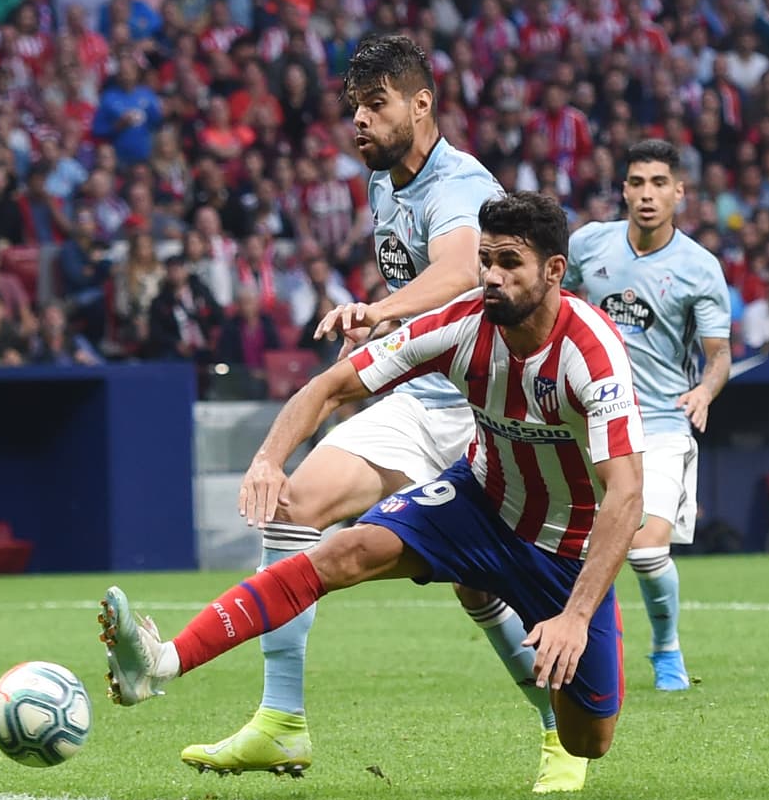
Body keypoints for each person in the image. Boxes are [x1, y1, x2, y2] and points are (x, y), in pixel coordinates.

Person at [98, 191, 644, 770]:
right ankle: (160, 663)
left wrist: (577, 617)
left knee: (589, 741)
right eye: (485, 260)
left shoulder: (592, 354)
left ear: (554, 271)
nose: (490, 276)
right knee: (347, 549)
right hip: (480, 501)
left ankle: (560, 725)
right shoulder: (461, 325)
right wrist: (268, 459)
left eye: (509, 262)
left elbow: (627, 495)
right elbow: (331, 386)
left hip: (564, 547)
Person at [178, 35, 585, 792]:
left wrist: (380, 310)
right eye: (353, 108)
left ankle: (557, 732)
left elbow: (462, 269)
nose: (359, 121)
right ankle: (281, 721)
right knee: (296, 505)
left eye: (376, 105)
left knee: (482, 587)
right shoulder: (383, 183)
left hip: (483, 403)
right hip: (417, 397)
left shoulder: (458, 184)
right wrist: (384, 331)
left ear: (421, 105)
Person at [559, 139, 732, 691]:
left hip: (659, 424)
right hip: (589, 420)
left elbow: (719, 356)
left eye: (659, 183)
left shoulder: (699, 269)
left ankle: (666, 650)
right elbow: (548, 297)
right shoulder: (589, 244)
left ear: (679, 193)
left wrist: (704, 392)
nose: (647, 194)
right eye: (637, 183)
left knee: (647, 548)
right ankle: (579, 647)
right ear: (624, 191)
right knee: (565, 547)